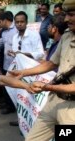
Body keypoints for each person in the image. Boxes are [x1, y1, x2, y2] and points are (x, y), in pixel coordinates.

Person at [9, 0, 75, 140]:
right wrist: (24, 72)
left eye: (71, 14)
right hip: (54, 103)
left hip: (72, 112)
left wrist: (47, 87)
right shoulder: (67, 36)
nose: (67, 19)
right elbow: (51, 63)